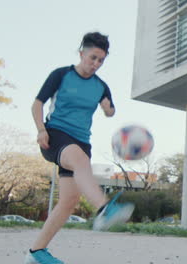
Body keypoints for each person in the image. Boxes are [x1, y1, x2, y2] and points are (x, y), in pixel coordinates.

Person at [26, 32, 134, 264]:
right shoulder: (61, 75)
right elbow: (37, 104)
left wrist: (108, 109)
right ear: (81, 53)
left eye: (101, 60)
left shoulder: (101, 87)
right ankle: (104, 210)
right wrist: (40, 130)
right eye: (93, 57)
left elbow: (111, 110)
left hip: (82, 142)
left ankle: (36, 253)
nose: (96, 64)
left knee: (69, 201)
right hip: (55, 135)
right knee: (80, 161)